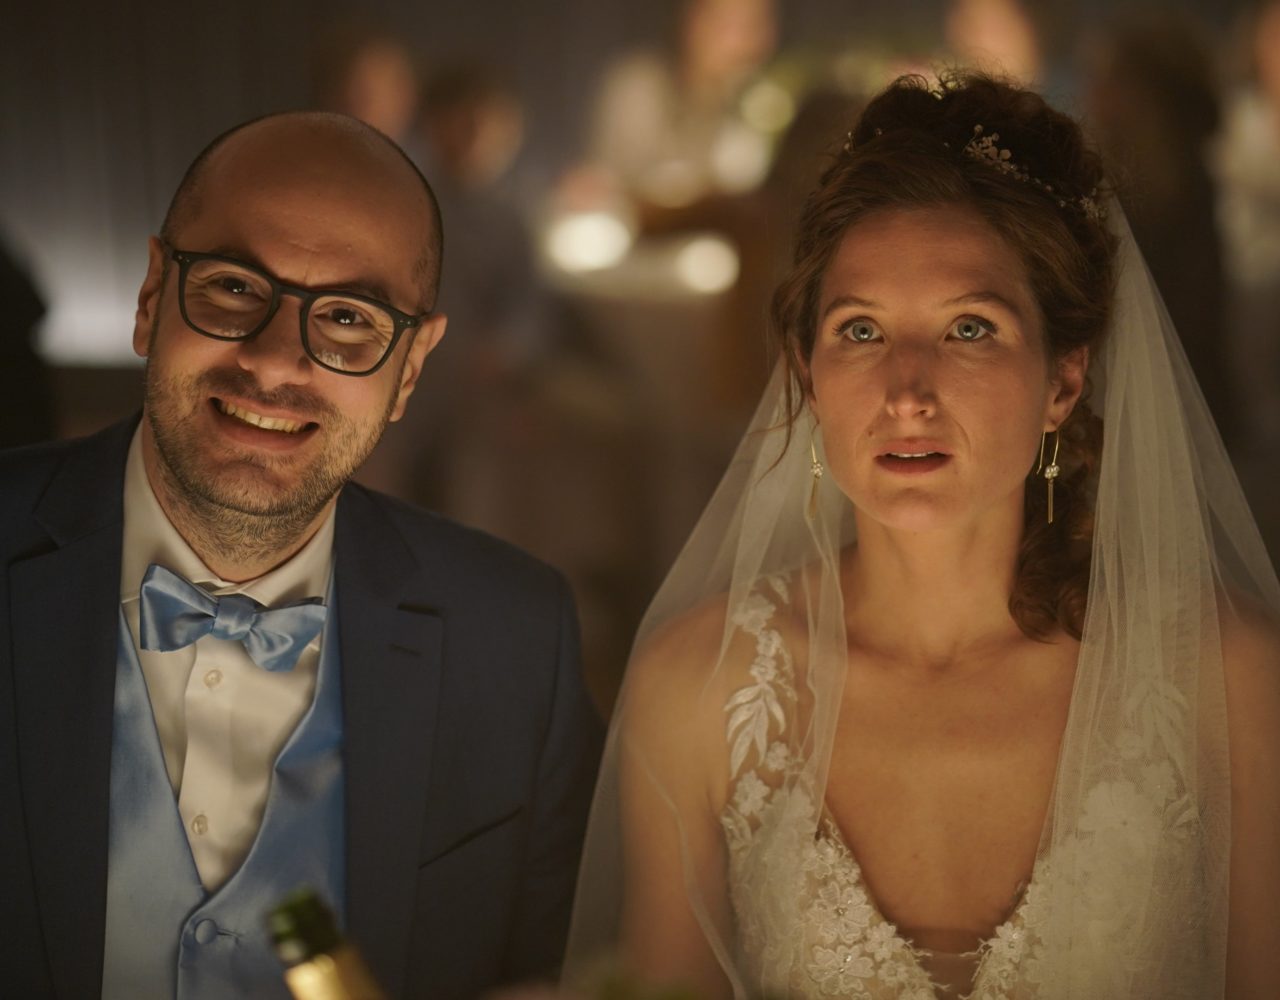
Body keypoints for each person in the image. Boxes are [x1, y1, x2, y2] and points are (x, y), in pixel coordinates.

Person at [565, 74, 1280, 998]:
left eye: (968, 328)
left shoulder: (1226, 679)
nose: (907, 393)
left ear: (1064, 382)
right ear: (808, 375)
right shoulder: (697, 689)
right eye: (861, 330)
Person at [0, 112, 601, 1000]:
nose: (277, 362)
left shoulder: (517, 636)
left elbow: (558, 967)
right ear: (152, 295)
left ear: (410, 367)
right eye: (234, 288)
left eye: (350, 318)